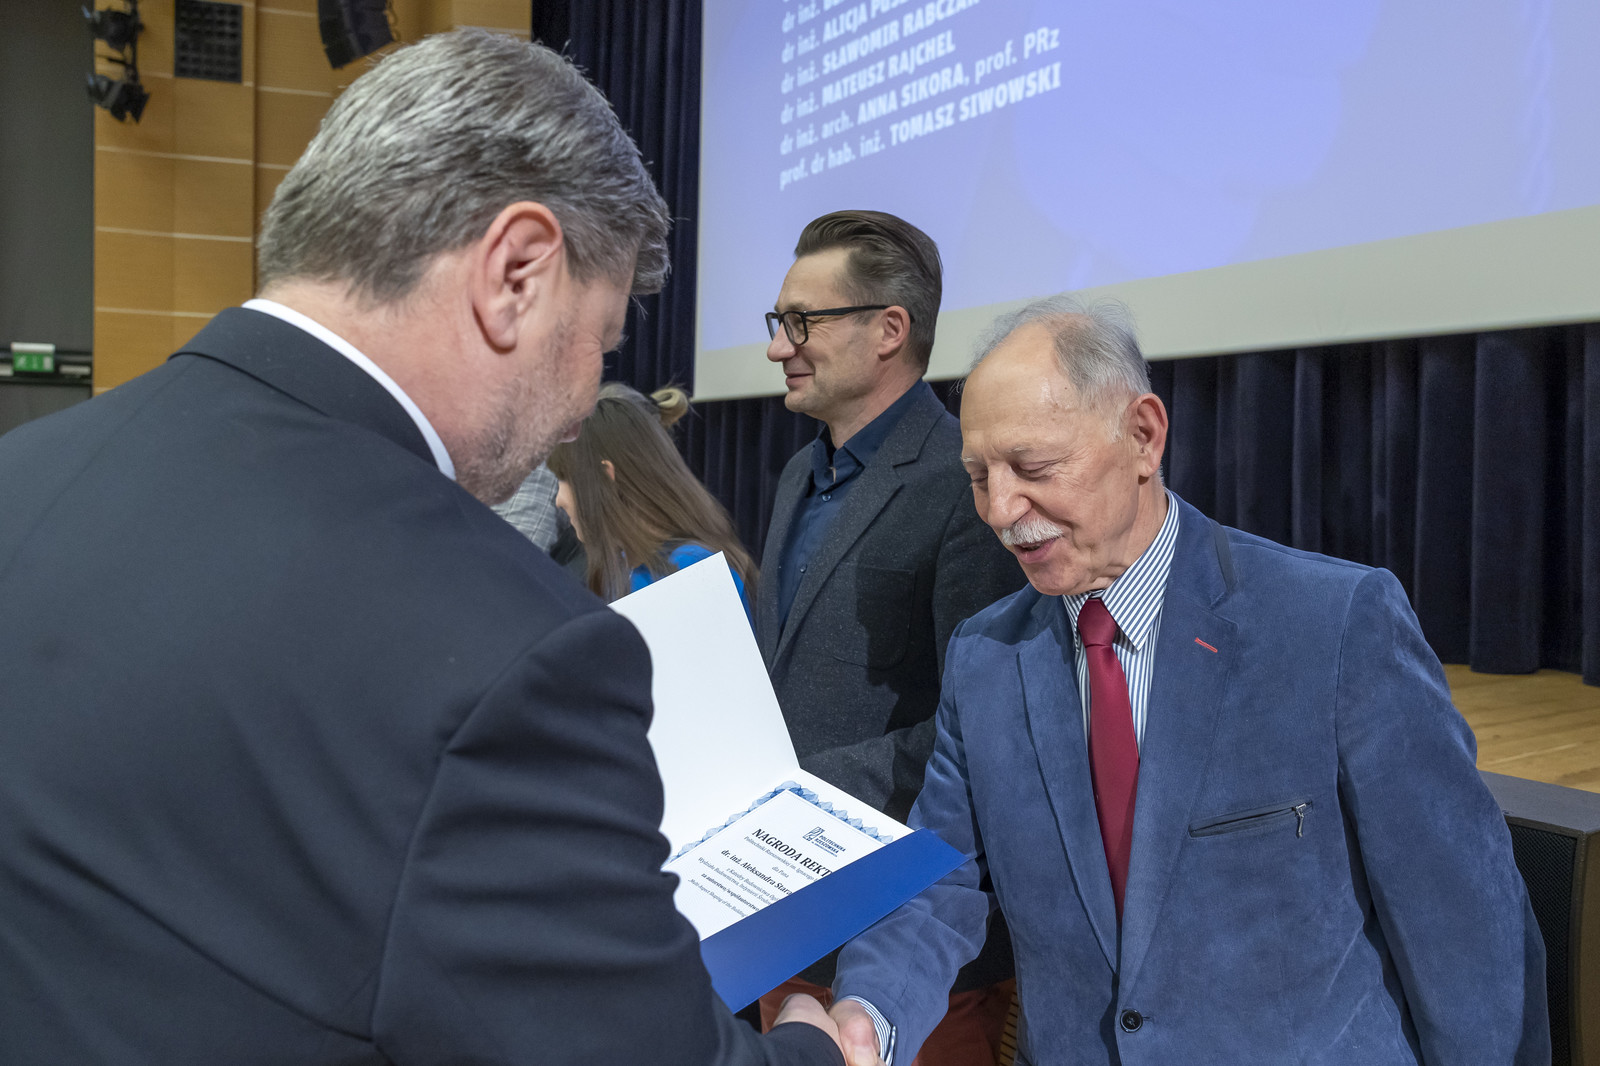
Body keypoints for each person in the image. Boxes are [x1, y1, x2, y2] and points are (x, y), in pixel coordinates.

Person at [0, 30, 842, 1066]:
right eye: (602, 340)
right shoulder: (513, 652)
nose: (585, 398)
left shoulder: (24, 477)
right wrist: (814, 1042)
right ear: (517, 273)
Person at [827, 296, 1549, 1066]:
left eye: (1033, 467)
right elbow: (938, 885)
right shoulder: (985, 657)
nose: (1001, 510)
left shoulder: (1335, 622)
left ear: (1143, 435)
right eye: (979, 476)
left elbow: (1463, 927)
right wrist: (869, 1011)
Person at [756, 210, 1026, 1063]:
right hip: (781, 907)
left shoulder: (964, 483)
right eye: (778, 322)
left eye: (802, 322)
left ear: (889, 330)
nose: (779, 346)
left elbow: (980, 730)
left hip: (909, 945)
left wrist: (795, 785)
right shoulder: (800, 473)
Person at [547, 381, 757, 616]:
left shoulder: (689, 569)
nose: (559, 500)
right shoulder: (624, 567)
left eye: (566, 478)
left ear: (606, 476)